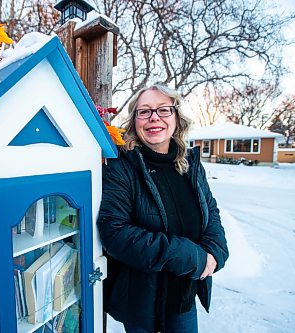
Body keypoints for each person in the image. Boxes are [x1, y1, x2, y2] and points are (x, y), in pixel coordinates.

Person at [97, 84, 229, 333]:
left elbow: (211, 213)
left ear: (177, 118)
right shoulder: (122, 167)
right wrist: (190, 256)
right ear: (134, 120)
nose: (154, 117)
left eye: (164, 110)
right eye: (144, 111)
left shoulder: (190, 163)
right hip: (141, 300)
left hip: (184, 296)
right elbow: (114, 231)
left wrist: (215, 252)